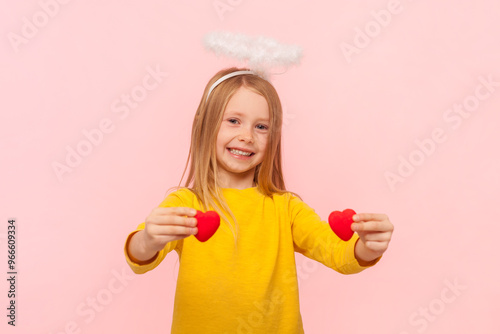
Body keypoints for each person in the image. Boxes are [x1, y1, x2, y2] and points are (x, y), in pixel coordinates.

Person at [123, 67, 394, 333]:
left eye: (261, 126)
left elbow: (338, 253)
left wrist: (368, 248)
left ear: (273, 137)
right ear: (205, 124)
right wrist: (148, 239)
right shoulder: (186, 203)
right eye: (233, 121)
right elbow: (139, 256)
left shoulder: (286, 208)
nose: (247, 136)